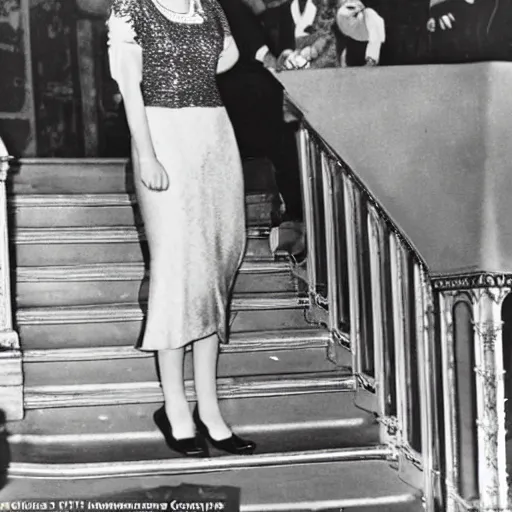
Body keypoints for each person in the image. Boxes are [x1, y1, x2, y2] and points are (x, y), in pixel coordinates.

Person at [107, 0, 255, 457]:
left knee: (214, 267)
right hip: (162, 135)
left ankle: (209, 409)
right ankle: (175, 406)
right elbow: (131, 89)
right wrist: (147, 154)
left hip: (214, 135)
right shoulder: (131, 9)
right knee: (176, 273)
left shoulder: (210, 9)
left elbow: (228, 55)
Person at [214, 0, 306, 257]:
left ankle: (291, 218)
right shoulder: (232, 8)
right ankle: (293, 219)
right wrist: (275, 65)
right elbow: (260, 51)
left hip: (240, 95)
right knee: (283, 148)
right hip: (247, 92)